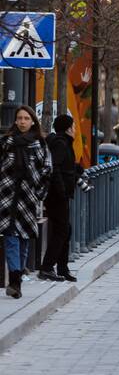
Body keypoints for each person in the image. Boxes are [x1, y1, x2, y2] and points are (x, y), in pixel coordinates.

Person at [0, 106, 52, 298]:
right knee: (10, 235)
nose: (22, 122)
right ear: (15, 121)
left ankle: (18, 274)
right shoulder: (6, 142)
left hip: (28, 198)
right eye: (19, 118)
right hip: (7, 197)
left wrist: (39, 193)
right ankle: (14, 280)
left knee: (23, 238)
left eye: (26, 118)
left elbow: (47, 170)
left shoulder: (39, 144)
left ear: (32, 121)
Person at [39, 114, 82, 282]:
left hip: (60, 195)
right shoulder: (61, 144)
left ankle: (62, 267)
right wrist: (62, 191)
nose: (76, 130)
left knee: (65, 229)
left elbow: (65, 166)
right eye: (74, 126)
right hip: (57, 196)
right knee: (61, 230)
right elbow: (55, 168)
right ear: (69, 128)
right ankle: (47, 267)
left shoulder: (62, 143)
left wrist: (78, 170)